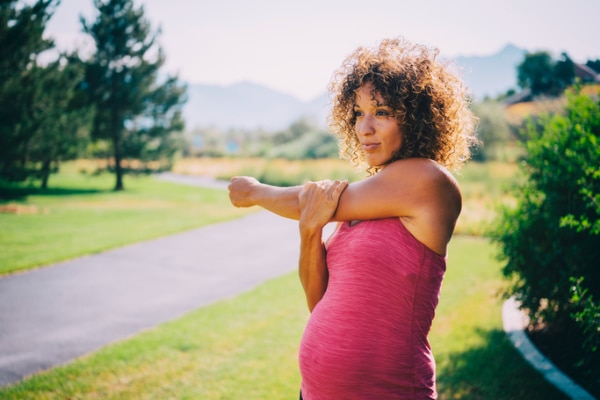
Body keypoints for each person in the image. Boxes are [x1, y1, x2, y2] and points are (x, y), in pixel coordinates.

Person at [228, 37, 478, 400]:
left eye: (382, 111)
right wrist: (310, 232)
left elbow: (306, 199)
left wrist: (254, 192)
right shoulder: (364, 202)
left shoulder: (429, 181)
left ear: (418, 116)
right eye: (359, 113)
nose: (365, 127)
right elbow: (319, 302)